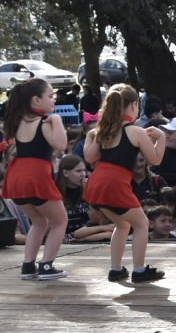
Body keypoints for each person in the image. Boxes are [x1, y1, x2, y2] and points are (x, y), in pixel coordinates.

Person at [83, 83, 167, 283]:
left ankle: (116, 269)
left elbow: (89, 157)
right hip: (115, 182)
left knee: (122, 224)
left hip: (97, 181)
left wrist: (90, 135)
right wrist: (161, 137)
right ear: (132, 105)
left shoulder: (104, 130)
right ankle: (139, 270)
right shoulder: (135, 131)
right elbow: (155, 160)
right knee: (142, 223)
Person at [2, 78, 69, 280]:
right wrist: (56, 120)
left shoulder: (18, 121)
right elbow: (61, 146)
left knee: (38, 221)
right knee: (60, 221)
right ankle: (47, 266)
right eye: (50, 96)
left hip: (16, 176)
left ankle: (28, 266)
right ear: (36, 100)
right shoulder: (45, 122)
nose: (53, 100)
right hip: (35, 175)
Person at [56, 154, 90, 242]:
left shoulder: (87, 190)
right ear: (66, 173)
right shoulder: (55, 193)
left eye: (84, 170)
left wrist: (89, 192)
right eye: (78, 171)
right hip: (62, 238)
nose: (83, 174)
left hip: (87, 235)